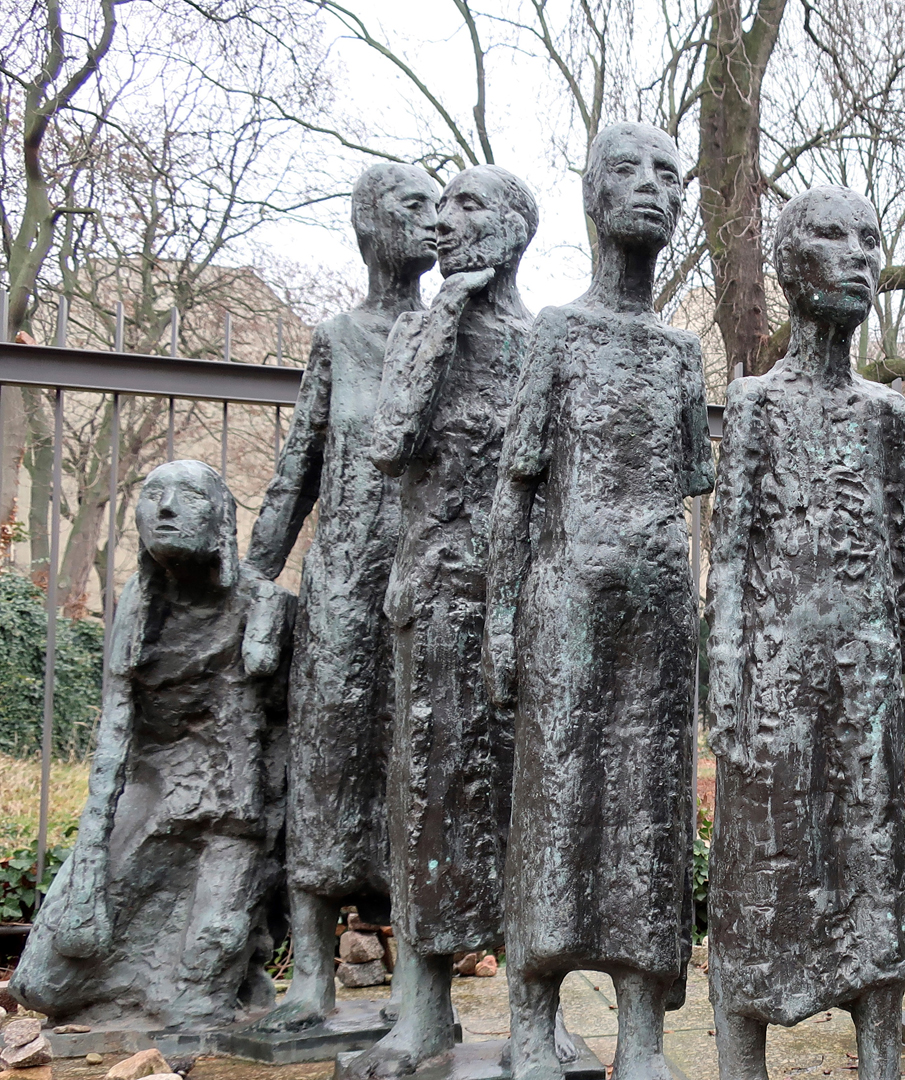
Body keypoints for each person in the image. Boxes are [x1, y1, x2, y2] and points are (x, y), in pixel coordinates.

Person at [487, 122, 712, 1080]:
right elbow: (518, 486)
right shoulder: (556, 334)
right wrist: (503, 619)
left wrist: (697, 622)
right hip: (567, 603)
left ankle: (644, 1031)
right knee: (557, 805)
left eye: (668, 174)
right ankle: (533, 1019)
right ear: (592, 196)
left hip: (658, 613)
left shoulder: (680, 353)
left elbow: (690, 503)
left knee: (648, 814)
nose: (652, 188)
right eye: (629, 171)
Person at [705, 185, 905, 1080]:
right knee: (764, 853)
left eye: (871, 239)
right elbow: (730, 548)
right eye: (833, 237)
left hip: (864, 675)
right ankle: (741, 1053)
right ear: (793, 266)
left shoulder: (887, 414)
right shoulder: (754, 402)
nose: (860, 255)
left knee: (869, 850)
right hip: (773, 668)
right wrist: (725, 666)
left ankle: (878, 1048)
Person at [348, 164, 538, 1079]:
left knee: (523, 804)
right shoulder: (420, 332)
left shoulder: (543, 344)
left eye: (470, 208)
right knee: (428, 802)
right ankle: (423, 1009)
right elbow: (390, 444)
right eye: (443, 208)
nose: (447, 225)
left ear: (517, 230)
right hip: (434, 590)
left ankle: (532, 1012)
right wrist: (443, 319)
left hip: (527, 604)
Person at [242, 162, 438, 1036]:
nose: (433, 222)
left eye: (441, 206)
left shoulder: (455, 338)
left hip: (427, 598)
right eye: (413, 207)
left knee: (418, 778)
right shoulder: (337, 339)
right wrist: (253, 584)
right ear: (370, 226)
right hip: (339, 595)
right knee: (325, 776)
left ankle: (418, 991)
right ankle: (311, 981)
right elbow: (294, 477)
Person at [13, 462, 292, 1034]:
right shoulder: (138, 604)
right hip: (154, 780)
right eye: (153, 494)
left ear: (221, 521)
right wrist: (89, 869)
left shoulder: (265, 603)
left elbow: (294, 729)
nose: (165, 507)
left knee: (201, 974)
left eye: (188, 494)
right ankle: (135, 985)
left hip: (233, 802)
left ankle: (224, 976)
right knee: (44, 983)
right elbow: (114, 733)